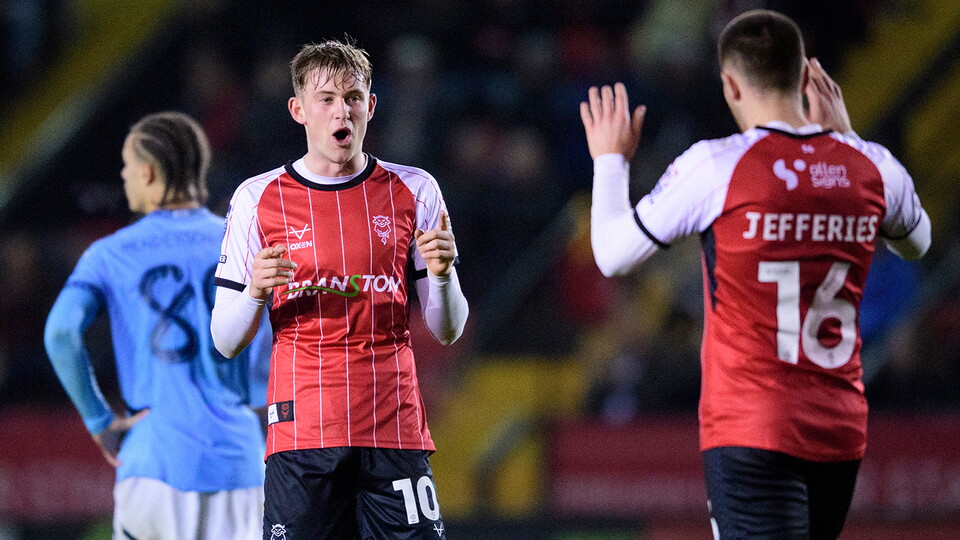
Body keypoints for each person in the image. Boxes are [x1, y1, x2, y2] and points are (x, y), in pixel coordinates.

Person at [581, 9, 930, 540]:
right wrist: (849, 139)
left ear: (730, 84)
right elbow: (916, 243)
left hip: (753, 426)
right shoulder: (871, 165)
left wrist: (610, 161)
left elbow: (612, 254)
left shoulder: (716, 166)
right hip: (839, 428)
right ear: (803, 75)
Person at [210, 39, 469, 539]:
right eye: (326, 98)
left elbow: (447, 330)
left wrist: (442, 274)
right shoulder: (257, 198)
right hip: (302, 434)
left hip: (394, 429)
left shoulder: (415, 189)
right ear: (299, 110)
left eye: (352, 97)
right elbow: (224, 339)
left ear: (370, 106)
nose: (341, 110)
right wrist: (255, 293)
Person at [44, 112, 271, 539]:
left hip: (152, 464)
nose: (124, 175)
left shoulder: (109, 254)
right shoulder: (242, 244)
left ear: (148, 172)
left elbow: (60, 333)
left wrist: (99, 421)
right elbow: (266, 350)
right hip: (238, 465)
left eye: (127, 165)